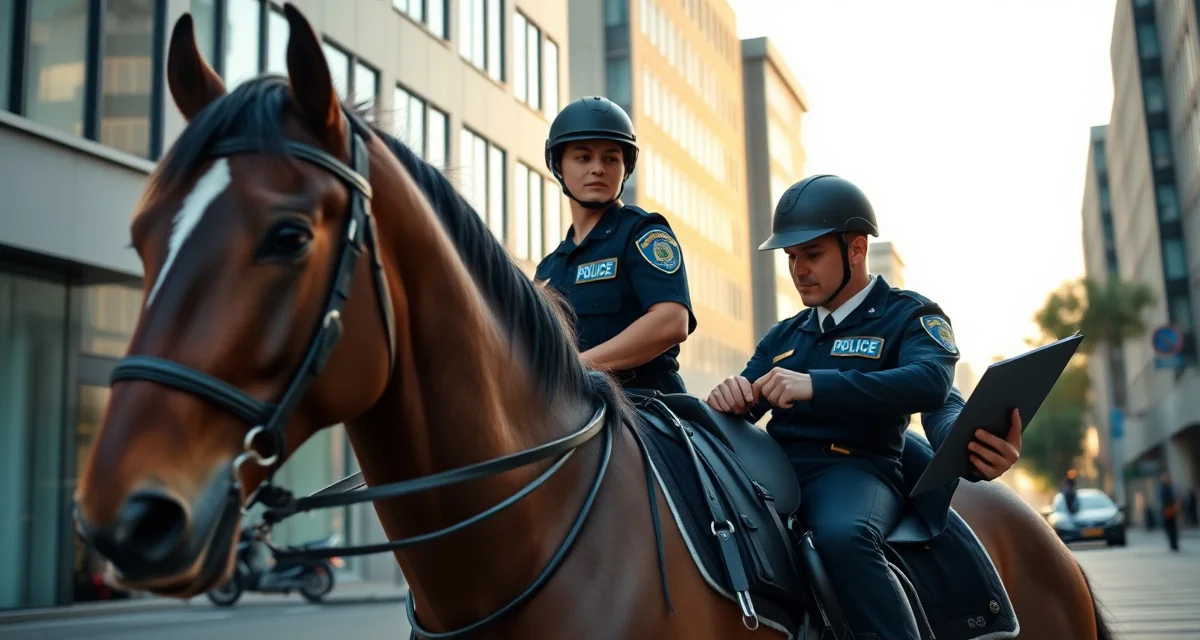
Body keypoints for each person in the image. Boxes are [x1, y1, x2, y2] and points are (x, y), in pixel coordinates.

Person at [704, 174, 1022, 640]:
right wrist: (727, 397)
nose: (798, 271)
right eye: (791, 258)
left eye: (812, 255)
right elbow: (746, 402)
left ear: (856, 250)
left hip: (857, 472)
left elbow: (931, 382)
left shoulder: (910, 315)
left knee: (842, 537)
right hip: (772, 475)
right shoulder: (784, 335)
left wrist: (817, 385)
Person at [535, 96, 697, 394]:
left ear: (625, 168)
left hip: (647, 409)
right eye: (583, 158)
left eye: (611, 158)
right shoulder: (550, 267)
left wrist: (576, 366)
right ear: (558, 165)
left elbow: (672, 321)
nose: (598, 168)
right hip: (570, 412)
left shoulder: (643, 233)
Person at [1159, 471, 1181, 551]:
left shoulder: (1171, 487)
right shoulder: (1162, 488)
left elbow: (1176, 497)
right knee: (1169, 528)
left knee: (1173, 528)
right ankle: (1172, 544)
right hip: (1166, 511)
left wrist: (1176, 505)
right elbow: (1162, 500)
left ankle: (1174, 544)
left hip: (1171, 510)